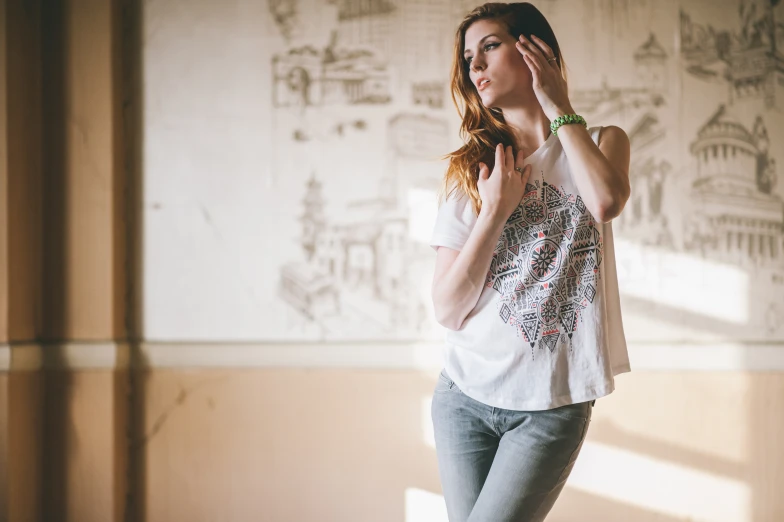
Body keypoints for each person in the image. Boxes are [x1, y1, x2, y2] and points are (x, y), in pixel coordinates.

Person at [429, 3, 632, 521]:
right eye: (469, 57)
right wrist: (495, 208)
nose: (475, 66)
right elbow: (449, 308)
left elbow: (605, 202)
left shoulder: (605, 142)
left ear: (534, 49)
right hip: (464, 396)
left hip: (550, 405)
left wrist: (558, 104)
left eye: (490, 46)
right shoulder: (471, 169)